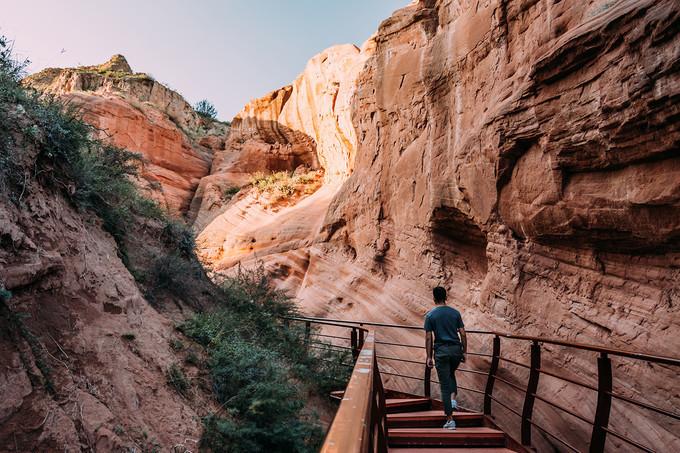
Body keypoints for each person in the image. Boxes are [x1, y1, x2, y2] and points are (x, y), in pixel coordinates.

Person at [424, 286, 467, 430]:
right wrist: (464, 352)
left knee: (444, 386)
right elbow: (463, 333)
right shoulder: (455, 313)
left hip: (442, 352)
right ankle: (453, 401)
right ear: (445, 297)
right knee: (451, 374)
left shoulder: (430, 315)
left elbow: (429, 337)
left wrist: (429, 356)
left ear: (434, 298)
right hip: (456, 350)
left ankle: (450, 420)